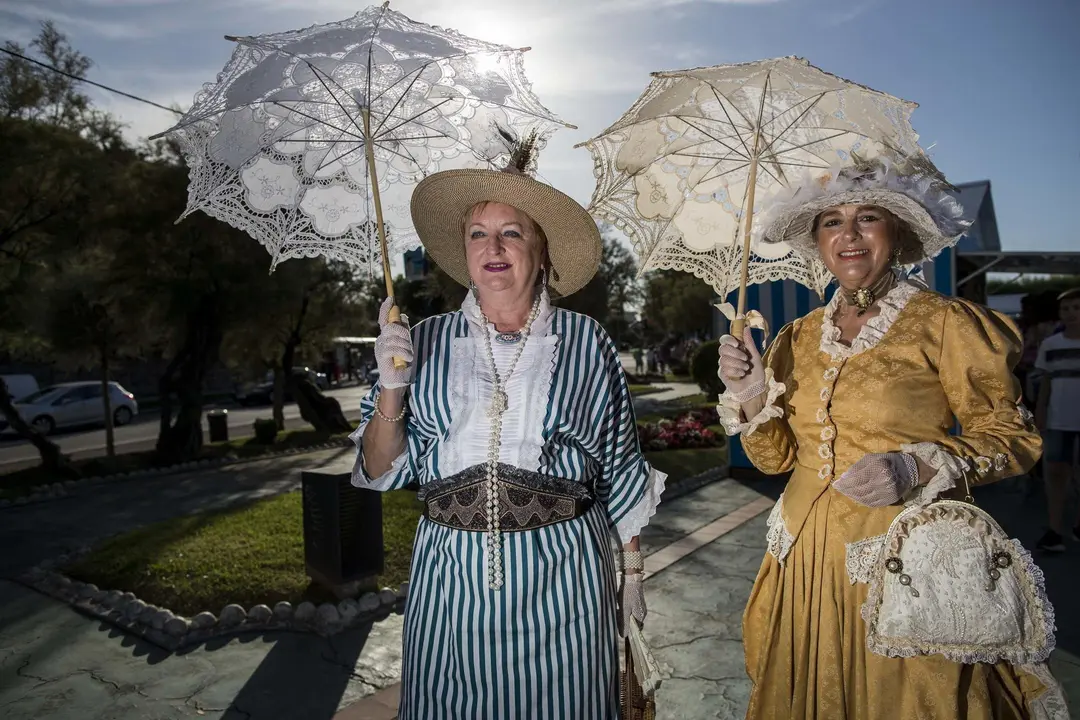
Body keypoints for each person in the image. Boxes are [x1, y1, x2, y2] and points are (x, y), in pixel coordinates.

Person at [717, 154, 1066, 718]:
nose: (849, 234)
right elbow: (773, 461)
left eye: (868, 217)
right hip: (803, 563)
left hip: (908, 566)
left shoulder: (946, 323)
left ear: (897, 233)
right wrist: (753, 393)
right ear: (817, 240)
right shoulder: (793, 338)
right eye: (832, 221)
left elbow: (1013, 437)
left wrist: (917, 468)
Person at [351, 144, 666, 719]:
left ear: (541, 253)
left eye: (511, 233)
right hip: (452, 580)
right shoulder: (423, 340)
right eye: (478, 233)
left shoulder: (586, 340)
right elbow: (380, 469)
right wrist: (392, 387)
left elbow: (620, 468)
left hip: (564, 576)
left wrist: (634, 574)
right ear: (465, 254)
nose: (493, 248)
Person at [1034, 288, 1080, 553]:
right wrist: (1040, 413)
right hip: (1058, 420)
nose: (1071, 314)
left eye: (1076, 308)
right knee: (1056, 474)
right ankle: (1054, 529)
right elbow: (1046, 382)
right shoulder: (1051, 345)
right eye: (1066, 309)